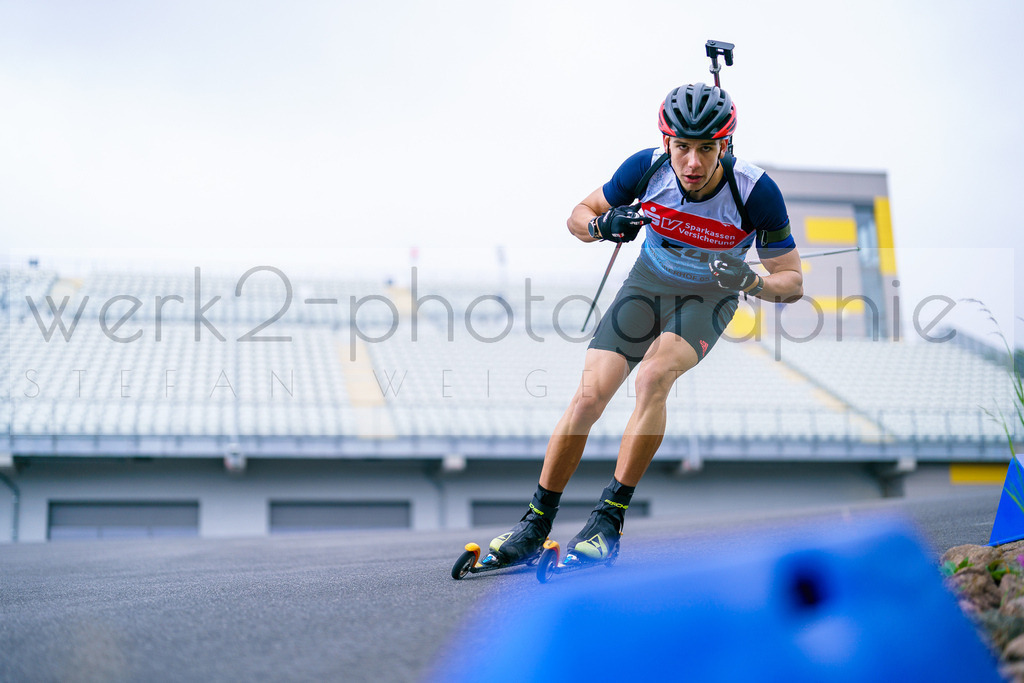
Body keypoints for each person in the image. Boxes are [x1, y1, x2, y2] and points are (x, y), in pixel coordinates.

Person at [488, 82, 804, 566]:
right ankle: (534, 522)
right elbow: (578, 214)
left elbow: (792, 282)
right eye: (682, 147)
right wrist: (601, 226)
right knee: (590, 396)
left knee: (654, 376)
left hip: (709, 295)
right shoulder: (646, 169)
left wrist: (752, 281)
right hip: (647, 284)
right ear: (666, 143)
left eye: (706, 149)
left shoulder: (756, 192)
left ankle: (607, 520)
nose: (693, 163)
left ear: (726, 145)